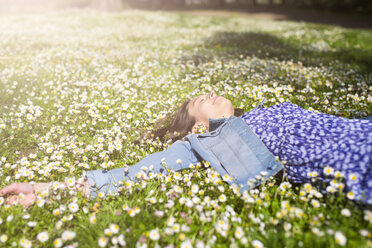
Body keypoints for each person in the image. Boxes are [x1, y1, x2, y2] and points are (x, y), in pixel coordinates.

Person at [1, 91, 371, 208]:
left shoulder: (257, 114)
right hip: (350, 160)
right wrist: (47, 191)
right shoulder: (209, 143)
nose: (208, 92)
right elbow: (136, 174)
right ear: (198, 127)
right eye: (200, 102)